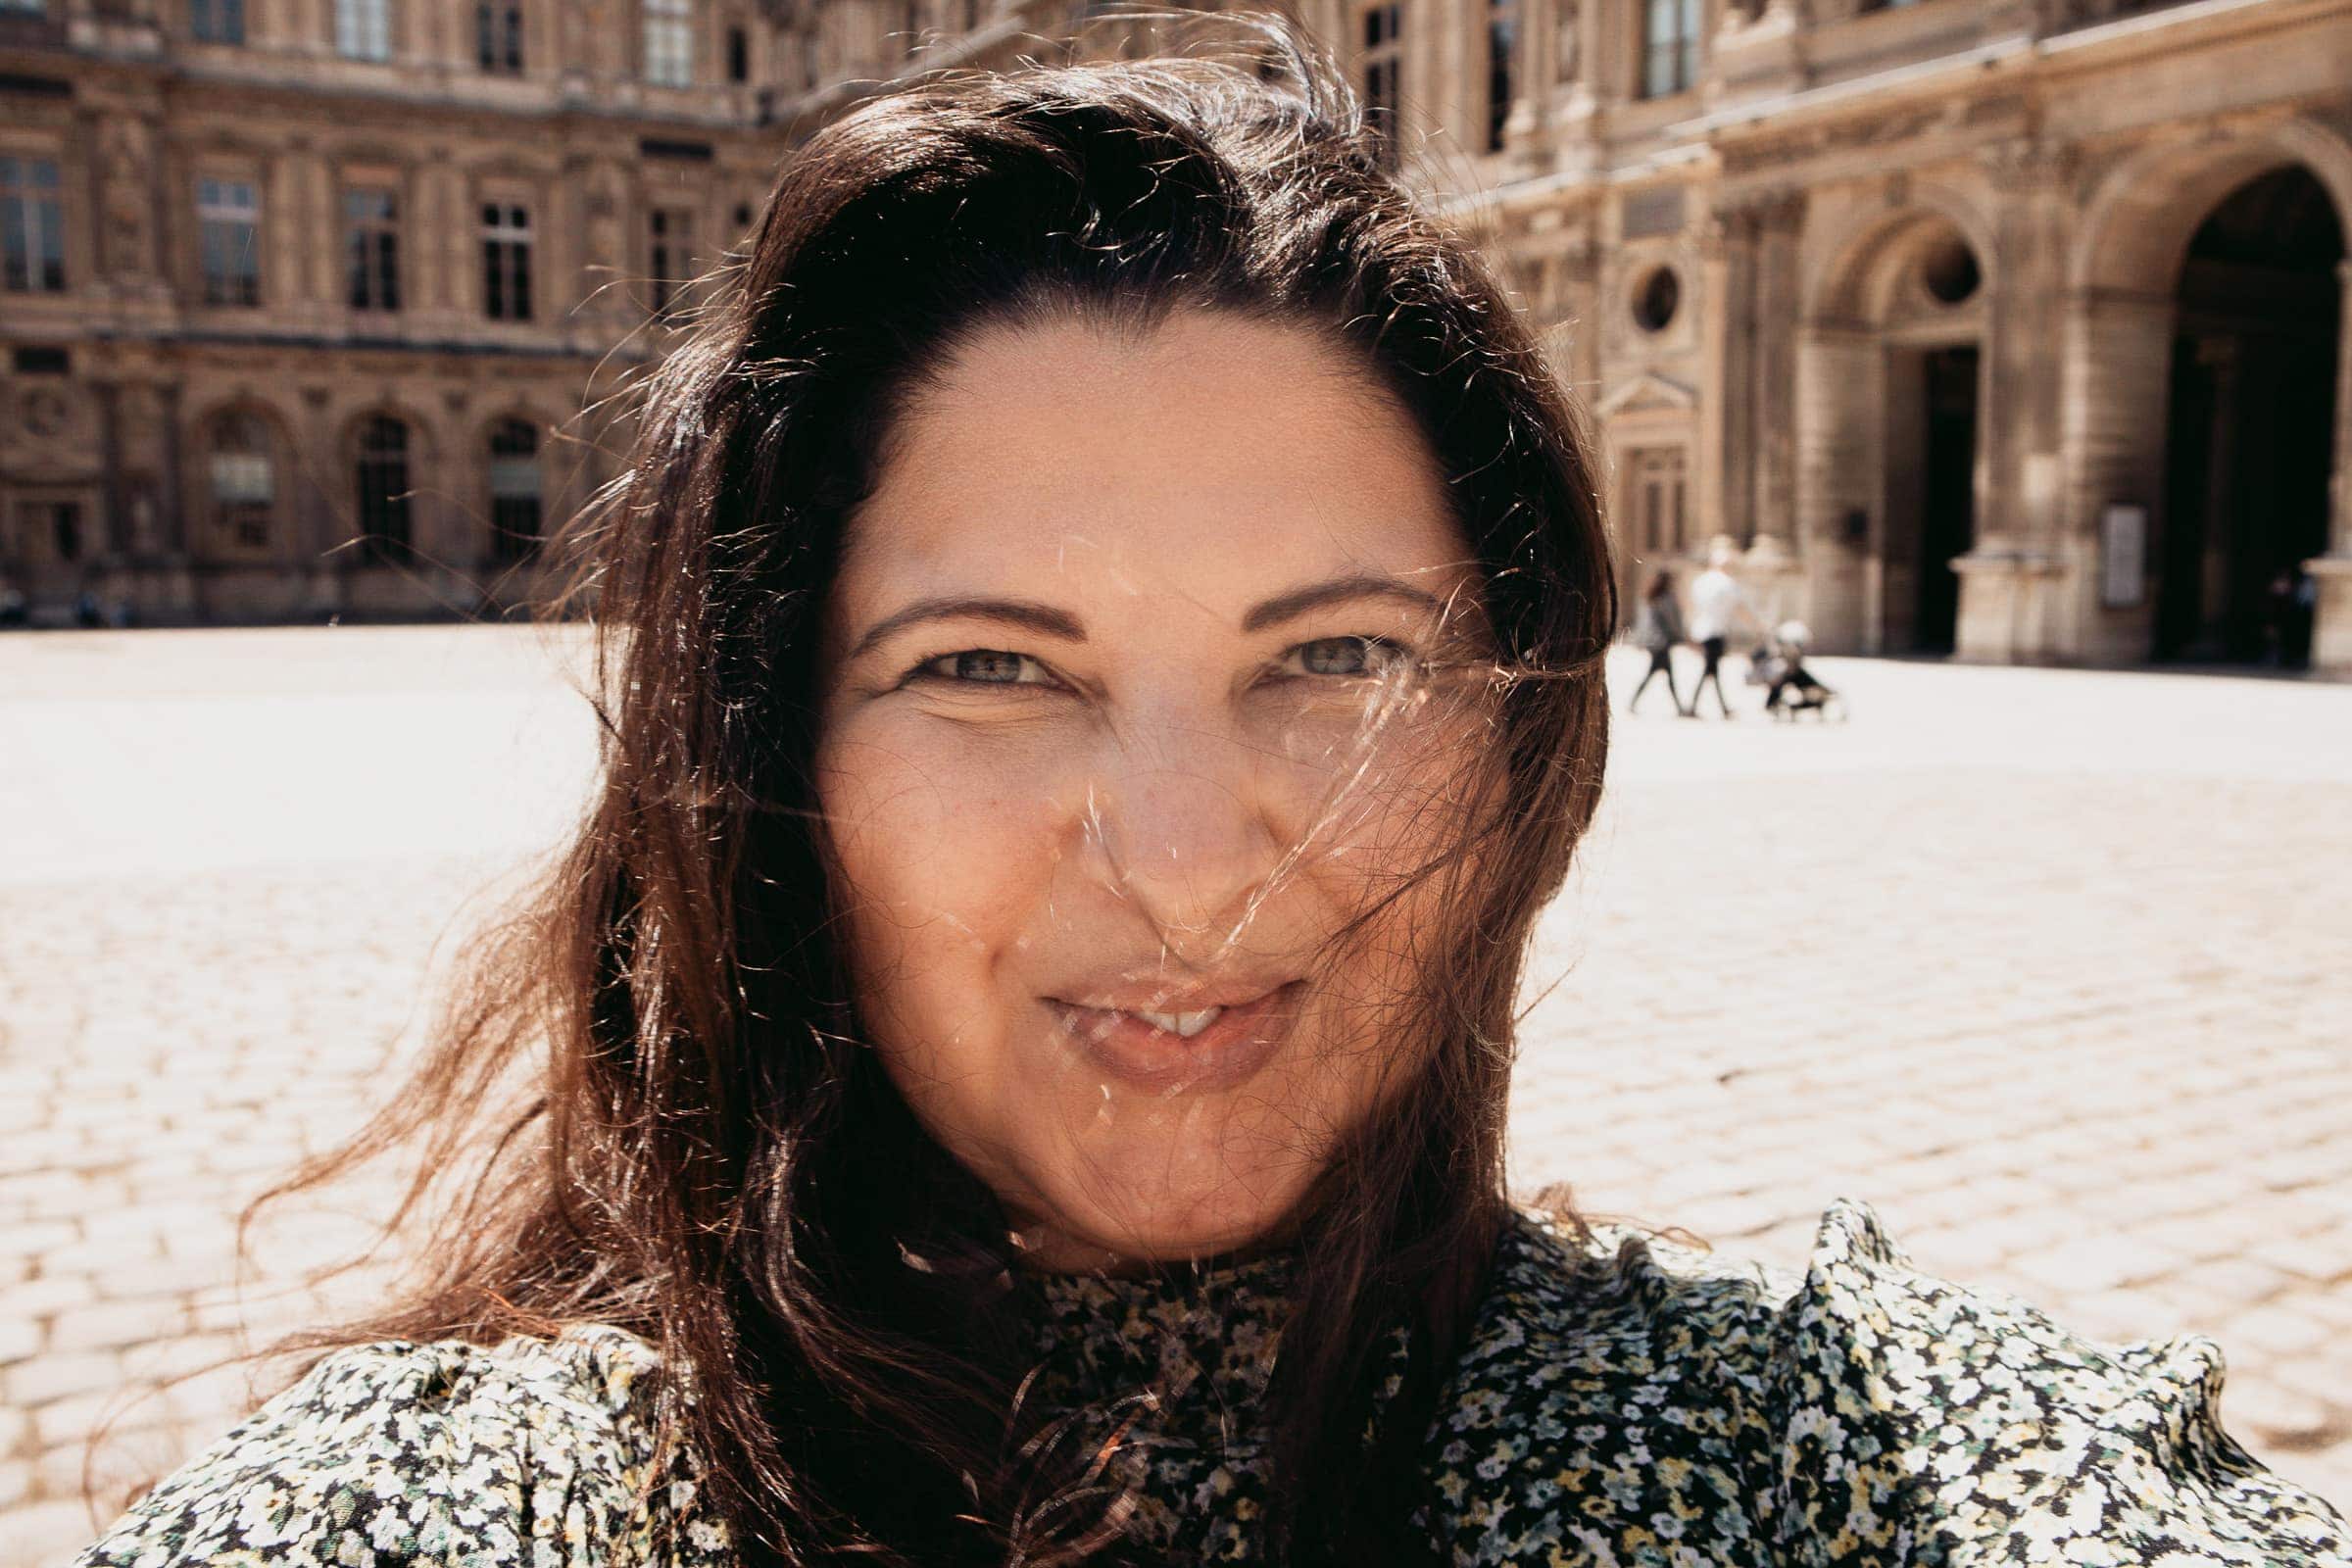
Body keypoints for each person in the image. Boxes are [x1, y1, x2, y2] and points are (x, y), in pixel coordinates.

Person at [74, 23, 2346, 1568]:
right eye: (987, 666)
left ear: (1523, 737)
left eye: (1337, 657)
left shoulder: (1844, 1456)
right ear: (763, 762)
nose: (1181, 863)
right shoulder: (433, 1511)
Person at [1684, 534, 1760, 719]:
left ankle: (1715, 707)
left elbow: (1690, 606)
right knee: (1710, 670)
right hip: (1716, 631)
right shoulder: (1727, 584)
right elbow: (1740, 609)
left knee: (1711, 670)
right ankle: (1701, 707)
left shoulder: (1700, 582)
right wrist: (1756, 626)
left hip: (1700, 630)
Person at [1626, 568, 1688, 715]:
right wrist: (1681, 636)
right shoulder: (1667, 598)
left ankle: (1679, 708)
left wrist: (1639, 640)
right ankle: (1679, 708)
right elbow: (1674, 620)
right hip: (1662, 642)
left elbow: (1643, 622)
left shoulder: (1649, 596)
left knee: (1663, 674)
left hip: (1652, 641)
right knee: (1659, 674)